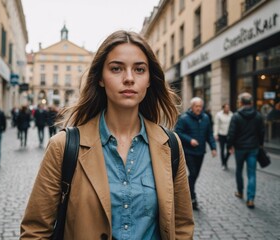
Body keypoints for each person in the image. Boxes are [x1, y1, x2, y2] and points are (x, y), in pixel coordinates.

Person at [20, 30, 194, 239]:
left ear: (149, 79)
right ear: (101, 78)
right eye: (116, 68)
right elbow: (35, 230)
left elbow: (182, 226)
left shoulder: (170, 145)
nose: (129, 78)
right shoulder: (63, 147)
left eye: (139, 69)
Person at [175, 97, 217, 210]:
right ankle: (192, 198)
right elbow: (177, 132)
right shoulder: (184, 118)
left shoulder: (206, 118)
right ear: (192, 106)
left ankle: (186, 192)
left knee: (195, 175)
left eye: (200, 106)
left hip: (200, 151)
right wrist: (190, 140)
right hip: (188, 151)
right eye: (196, 106)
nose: (198, 108)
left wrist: (213, 147)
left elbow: (209, 134)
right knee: (193, 173)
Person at [227, 92, 265, 209]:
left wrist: (230, 146)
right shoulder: (258, 115)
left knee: (239, 170)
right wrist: (261, 144)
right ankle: (250, 199)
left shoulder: (236, 116)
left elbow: (231, 133)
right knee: (252, 173)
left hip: (240, 148)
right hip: (253, 148)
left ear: (241, 103)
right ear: (251, 103)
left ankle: (240, 191)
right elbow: (262, 132)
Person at [214, 103, 233, 170]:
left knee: (229, 150)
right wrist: (216, 134)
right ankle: (223, 163)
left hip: (229, 135)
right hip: (221, 134)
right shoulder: (219, 115)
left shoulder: (231, 114)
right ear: (223, 108)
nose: (227, 109)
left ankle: (225, 161)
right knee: (222, 150)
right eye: (226, 107)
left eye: (228, 107)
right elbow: (216, 125)